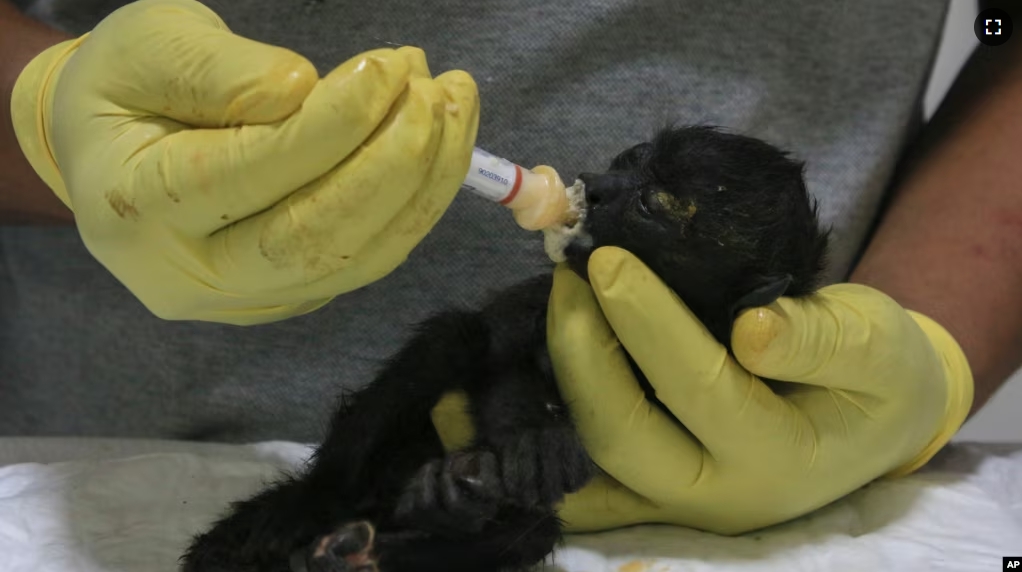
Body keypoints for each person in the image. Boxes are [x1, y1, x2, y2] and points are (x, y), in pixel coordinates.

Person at [0, 0, 1018, 536]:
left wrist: (926, 346)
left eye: (653, 195)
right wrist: (48, 113)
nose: (603, 185)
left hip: (789, 490)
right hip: (119, 450)